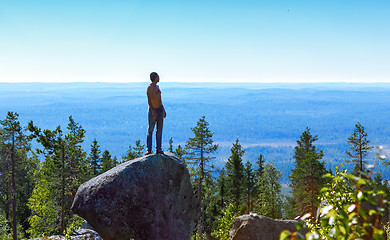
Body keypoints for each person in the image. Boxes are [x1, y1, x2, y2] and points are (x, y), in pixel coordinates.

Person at [145, 72, 166, 155]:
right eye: (158, 76)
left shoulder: (157, 87)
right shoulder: (149, 88)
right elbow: (149, 101)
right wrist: (153, 112)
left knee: (159, 130)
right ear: (154, 78)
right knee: (150, 130)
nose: (159, 78)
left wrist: (163, 110)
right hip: (153, 110)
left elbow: (160, 99)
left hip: (160, 109)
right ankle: (148, 149)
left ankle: (158, 149)